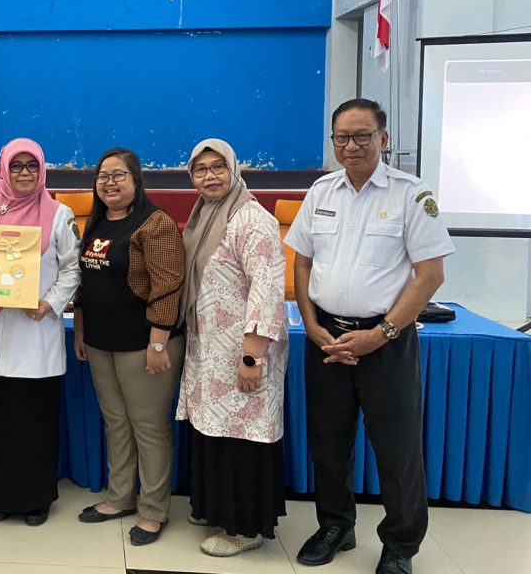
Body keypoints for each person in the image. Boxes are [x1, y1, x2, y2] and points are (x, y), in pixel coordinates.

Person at [285, 99, 455, 574]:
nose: (352, 146)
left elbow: (430, 275)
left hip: (386, 340)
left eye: (362, 136)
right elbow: (302, 262)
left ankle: (400, 545)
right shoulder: (321, 191)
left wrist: (381, 334)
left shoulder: (410, 195)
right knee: (328, 442)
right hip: (326, 337)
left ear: (384, 138)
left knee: (397, 449)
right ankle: (336, 526)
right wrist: (312, 325)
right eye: (342, 137)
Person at [0, 138, 81, 526]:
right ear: (4, 169)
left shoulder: (59, 214)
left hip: (34, 333)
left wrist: (49, 303)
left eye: (31, 166)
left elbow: (73, 269)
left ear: (42, 170)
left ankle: (35, 498)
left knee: (34, 422)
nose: (24, 173)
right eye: (16, 165)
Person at [174, 138, 288, 557]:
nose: (209, 176)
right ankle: (215, 507)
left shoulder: (252, 219)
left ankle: (244, 528)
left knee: (243, 436)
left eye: (218, 167)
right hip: (208, 349)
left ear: (234, 169)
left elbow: (267, 288)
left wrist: (252, 356)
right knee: (215, 431)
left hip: (242, 349)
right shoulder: (205, 214)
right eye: (200, 169)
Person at [74, 147, 185, 546]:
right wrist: (81, 330)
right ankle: (119, 497)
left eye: (118, 175)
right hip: (101, 342)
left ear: (136, 180)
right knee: (116, 422)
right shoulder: (98, 221)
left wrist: (158, 344)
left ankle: (153, 510)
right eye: (103, 176)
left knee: (148, 427)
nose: (110, 183)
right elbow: (87, 284)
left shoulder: (155, 223)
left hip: (144, 344)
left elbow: (168, 286)